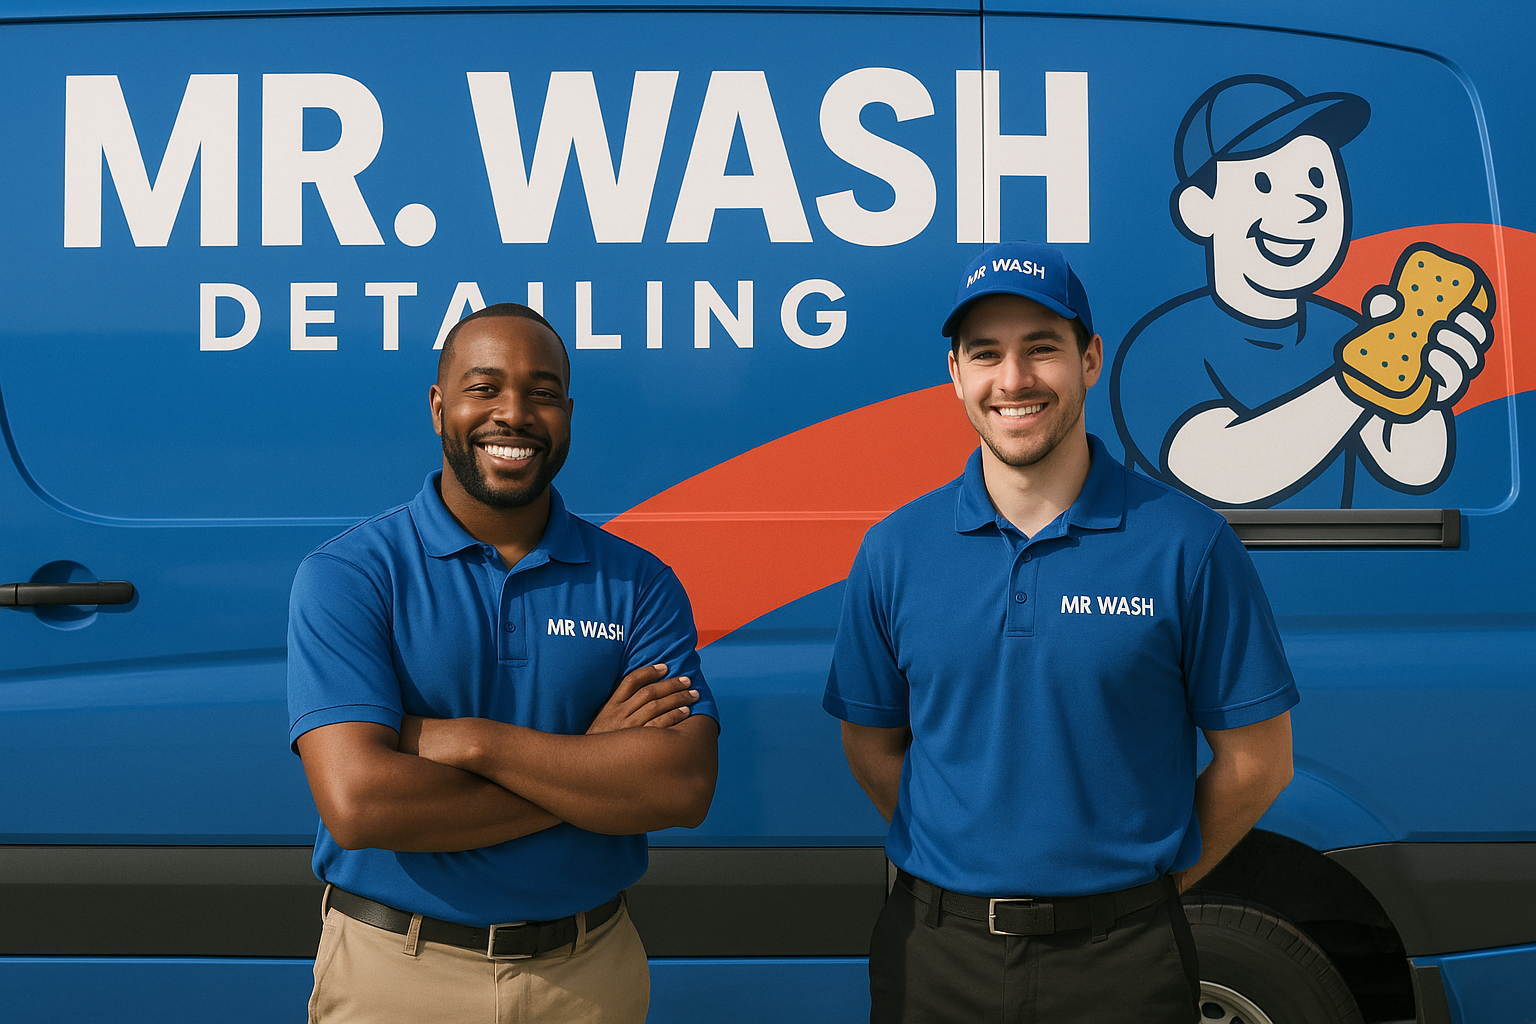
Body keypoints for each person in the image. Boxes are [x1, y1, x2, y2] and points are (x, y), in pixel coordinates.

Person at [824, 241, 1298, 1023]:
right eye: (986, 353)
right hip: (937, 957)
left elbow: (1258, 764)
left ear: (1090, 360)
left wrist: (1142, 890)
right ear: (956, 374)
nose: (1013, 379)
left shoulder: (1188, 545)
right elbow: (871, 748)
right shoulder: (894, 551)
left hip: (1125, 961)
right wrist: (962, 857)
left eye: (1041, 347)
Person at [287, 303, 720, 1024]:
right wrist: (589, 766)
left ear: (568, 415)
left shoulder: (639, 582)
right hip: (398, 972)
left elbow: (681, 786)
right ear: (439, 407)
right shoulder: (351, 575)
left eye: (542, 393)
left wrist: (473, 742)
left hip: (589, 975)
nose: (513, 414)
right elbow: (361, 803)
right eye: (484, 388)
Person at [1111, 75, 1492, 507]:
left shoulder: (1349, 334)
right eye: (1264, 183)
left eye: (1316, 178)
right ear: (1199, 210)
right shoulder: (1159, 345)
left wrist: (1423, 395)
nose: (1308, 204)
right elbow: (1218, 469)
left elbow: (1409, 468)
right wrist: (1365, 378)